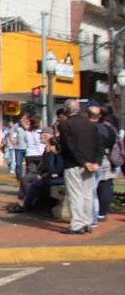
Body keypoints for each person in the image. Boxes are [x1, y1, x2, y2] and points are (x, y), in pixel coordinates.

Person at [58, 99, 98, 235]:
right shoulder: (90, 124)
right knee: (87, 194)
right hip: (89, 164)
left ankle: (77, 224)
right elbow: (98, 145)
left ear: (66, 110)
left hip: (74, 164)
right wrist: (94, 162)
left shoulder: (65, 125)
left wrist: (83, 162)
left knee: (75, 195)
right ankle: (87, 222)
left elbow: (71, 146)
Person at [8, 135, 64, 214]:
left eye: (49, 145)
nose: (47, 146)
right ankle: (26, 202)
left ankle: (25, 203)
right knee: (33, 182)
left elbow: (54, 170)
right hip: (52, 176)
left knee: (37, 184)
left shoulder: (60, 155)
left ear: (53, 146)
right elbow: (51, 171)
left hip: (61, 179)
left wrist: (46, 175)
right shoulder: (52, 154)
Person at [92, 106, 116, 222]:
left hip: (95, 157)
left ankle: (95, 213)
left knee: (95, 186)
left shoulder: (94, 128)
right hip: (108, 156)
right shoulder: (110, 129)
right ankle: (103, 212)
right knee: (106, 183)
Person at [7, 117, 26, 182]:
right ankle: (19, 179)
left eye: (23, 119)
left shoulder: (29, 124)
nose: (21, 120)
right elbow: (10, 132)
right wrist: (12, 141)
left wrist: (24, 125)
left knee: (29, 164)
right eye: (21, 119)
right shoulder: (16, 125)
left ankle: (28, 179)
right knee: (18, 164)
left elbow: (28, 130)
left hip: (28, 147)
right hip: (19, 147)